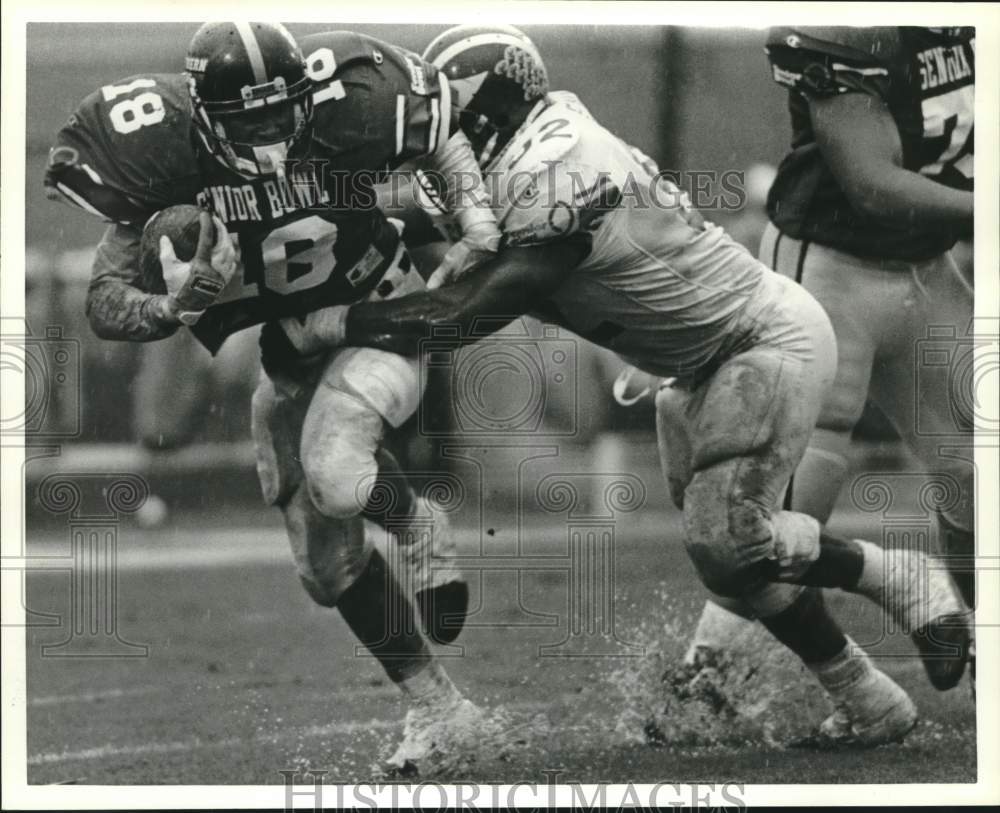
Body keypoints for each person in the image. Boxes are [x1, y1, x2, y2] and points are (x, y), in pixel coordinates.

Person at [286, 24, 972, 747]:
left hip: (760, 344)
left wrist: (335, 319)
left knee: (728, 539)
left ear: (487, 118)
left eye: (449, 121)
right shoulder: (517, 149)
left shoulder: (560, 170)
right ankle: (865, 696)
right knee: (739, 558)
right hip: (699, 363)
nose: (435, 143)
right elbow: (424, 210)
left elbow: (458, 316)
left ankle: (897, 577)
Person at [45, 21, 507, 774]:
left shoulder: (347, 109)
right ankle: (438, 707)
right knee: (326, 569)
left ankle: (419, 522)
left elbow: (440, 130)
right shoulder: (163, 157)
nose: (267, 131)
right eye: (245, 119)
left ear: (303, 96)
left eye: (277, 111)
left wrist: (477, 218)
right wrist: (175, 306)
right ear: (202, 115)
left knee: (334, 468)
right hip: (291, 353)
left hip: (380, 316)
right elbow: (105, 300)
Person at [686, 25, 978, 691]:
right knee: (782, 503)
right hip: (828, 272)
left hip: (927, 271)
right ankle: (713, 671)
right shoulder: (857, 29)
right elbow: (872, 182)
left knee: (978, 471)